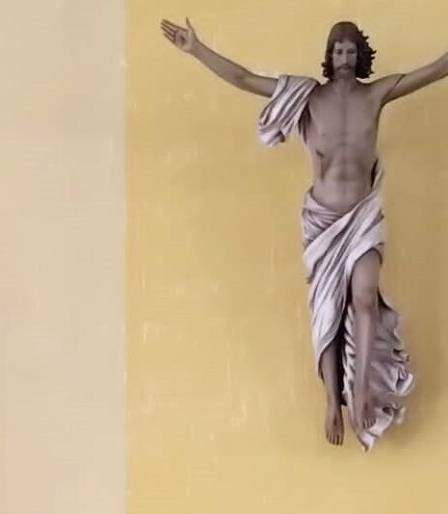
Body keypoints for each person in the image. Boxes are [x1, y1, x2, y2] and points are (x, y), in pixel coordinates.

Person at [161, 18, 448, 449]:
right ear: (329, 57)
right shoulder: (307, 97)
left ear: (361, 55)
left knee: (367, 299)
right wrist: (196, 49)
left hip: (364, 215)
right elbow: (243, 77)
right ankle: (333, 400)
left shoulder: (377, 94)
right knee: (330, 313)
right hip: (324, 222)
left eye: (352, 51)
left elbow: (435, 69)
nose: (345, 59)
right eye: (338, 52)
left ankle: (364, 389)